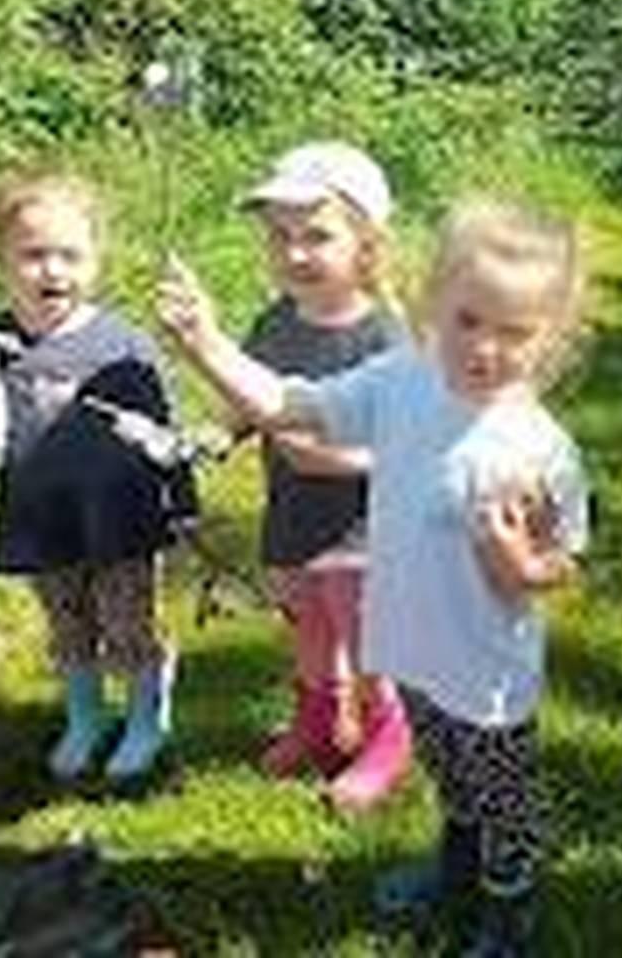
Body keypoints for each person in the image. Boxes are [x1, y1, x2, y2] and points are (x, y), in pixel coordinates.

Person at [159, 196, 589, 956]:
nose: (484, 349)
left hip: (487, 671)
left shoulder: (541, 449)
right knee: (449, 776)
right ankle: (457, 872)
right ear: (432, 306)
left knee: (504, 799)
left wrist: (523, 566)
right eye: (467, 322)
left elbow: (564, 560)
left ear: (551, 338)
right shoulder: (402, 379)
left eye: (514, 333)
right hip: (411, 647)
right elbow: (294, 408)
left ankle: (509, 910)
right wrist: (206, 343)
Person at [0, 171, 192, 786]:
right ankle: (85, 716)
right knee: (67, 621)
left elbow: (165, 430)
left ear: (95, 259)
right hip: (39, 513)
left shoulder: (123, 344)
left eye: (70, 255)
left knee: (127, 620)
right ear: (1, 260)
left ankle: (147, 716)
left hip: (120, 515)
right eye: (34, 255)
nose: (52, 271)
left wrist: (181, 503)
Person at [233, 141, 412, 811]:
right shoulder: (274, 323)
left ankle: (387, 734)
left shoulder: (385, 338)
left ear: (366, 242)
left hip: (362, 527)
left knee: (365, 637)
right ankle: (317, 720)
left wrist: (335, 461)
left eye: (316, 236)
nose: (295, 254)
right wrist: (215, 434)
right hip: (291, 513)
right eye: (279, 238)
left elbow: (412, 447)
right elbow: (249, 399)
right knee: (308, 624)